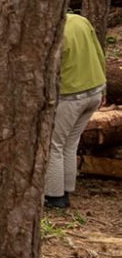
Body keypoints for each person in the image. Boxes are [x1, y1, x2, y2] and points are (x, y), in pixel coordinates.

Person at [45, 13, 107, 209]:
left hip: (71, 95)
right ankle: (66, 188)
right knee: (70, 143)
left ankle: (55, 196)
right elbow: (99, 52)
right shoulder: (81, 21)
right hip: (94, 90)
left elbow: (49, 69)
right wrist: (104, 86)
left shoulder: (53, 32)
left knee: (54, 145)